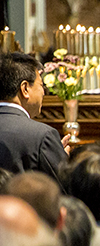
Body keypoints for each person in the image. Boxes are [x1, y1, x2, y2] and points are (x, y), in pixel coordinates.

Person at [0, 53, 68, 181]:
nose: (43, 92)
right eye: (41, 85)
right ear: (25, 88)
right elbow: (65, 189)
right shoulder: (42, 135)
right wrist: (63, 162)